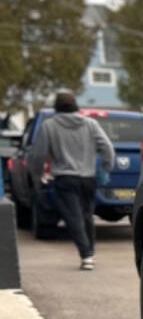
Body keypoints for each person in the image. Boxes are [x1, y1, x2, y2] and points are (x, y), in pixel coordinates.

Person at [28, 92, 114, 270]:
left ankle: (86, 255)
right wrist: (105, 168)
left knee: (73, 218)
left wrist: (37, 175)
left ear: (56, 107)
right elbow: (107, 147)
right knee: (87, 216)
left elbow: (37, 155)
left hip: (65, 178)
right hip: (88, 178)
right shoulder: (91, 124)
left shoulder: (49, 126)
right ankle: (90, 252)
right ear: (76, 106)